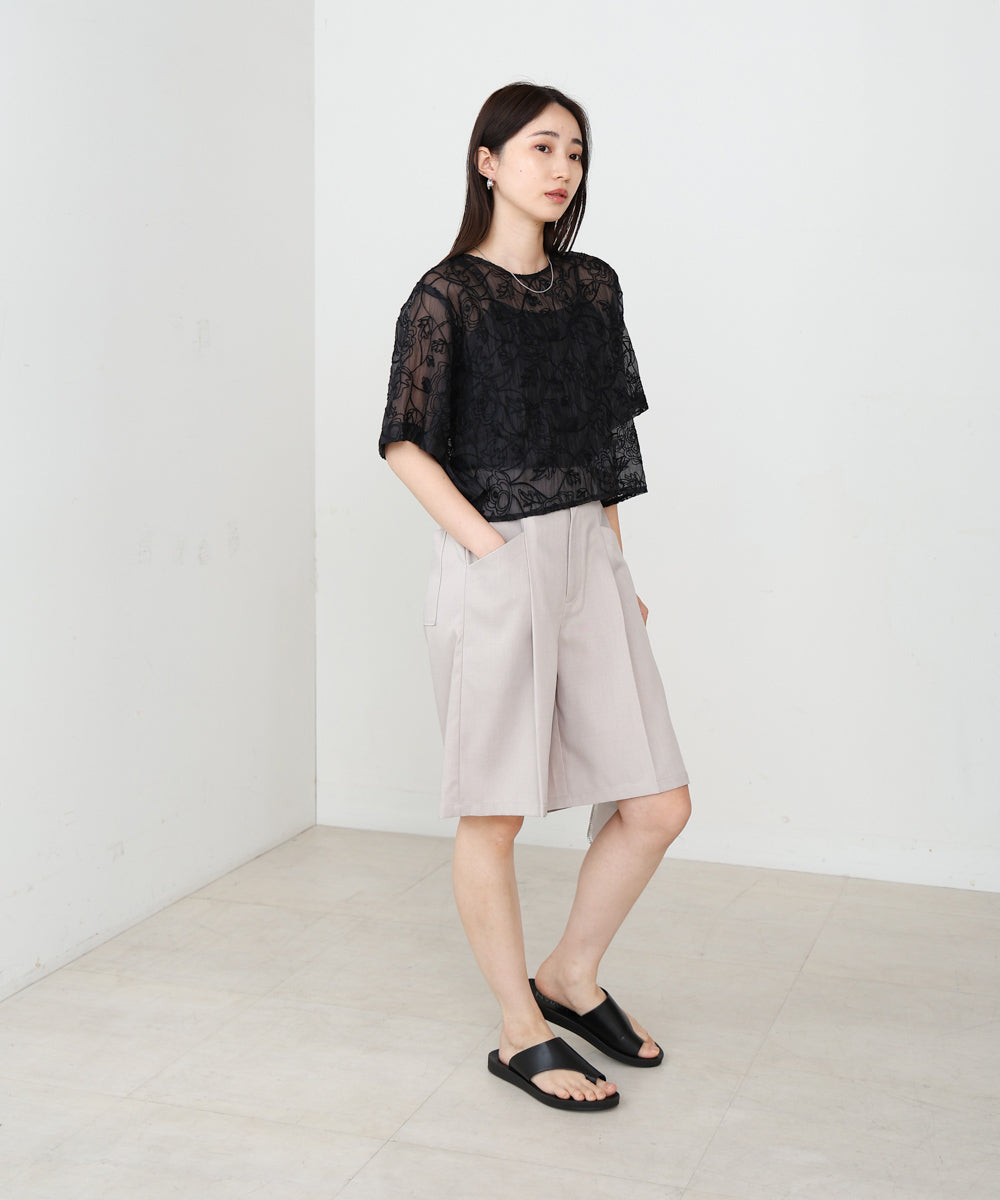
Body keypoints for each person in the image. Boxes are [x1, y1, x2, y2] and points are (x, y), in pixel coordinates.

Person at [377, 81, 692, 1112]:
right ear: (488, 160)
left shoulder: (593, 287)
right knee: (494, 812)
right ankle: (520, 1031)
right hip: (496, 556)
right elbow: (405, 442)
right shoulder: (445, 297)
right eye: (542, 147)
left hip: (588, 558)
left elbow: (605, 444)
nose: (563, 169)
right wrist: (490, 552)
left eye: (576, 153)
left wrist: (614, 570)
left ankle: (569, 976)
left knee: (657, 803)